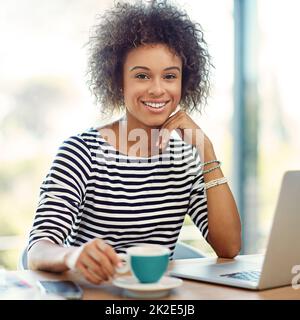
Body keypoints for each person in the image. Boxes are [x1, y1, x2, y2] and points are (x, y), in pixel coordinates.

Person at [27, 0, 241, 285]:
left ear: (183, 82)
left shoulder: (186, 159)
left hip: (157, 298)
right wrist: (72, 256)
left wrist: (207, 150)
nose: (157, 89)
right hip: (96, 294)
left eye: (169, 76)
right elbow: (38, 248)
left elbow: (229, 247)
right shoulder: (80, 152)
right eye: (142, 76)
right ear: (118, 81)